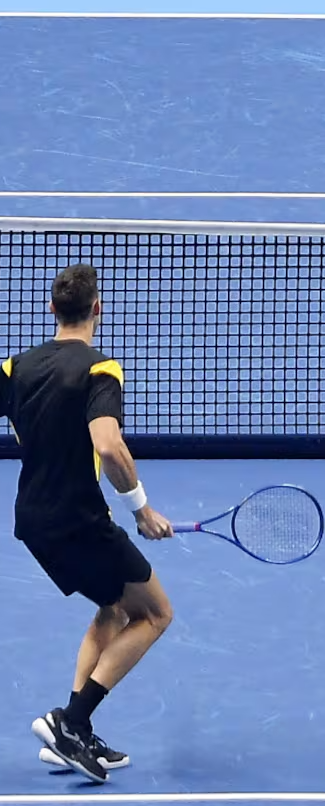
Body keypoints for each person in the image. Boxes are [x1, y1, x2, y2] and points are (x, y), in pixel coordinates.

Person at [0, 263, 174, 783]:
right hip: (78, 520)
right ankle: (70, 723)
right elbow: (108, 445)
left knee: (112, 609)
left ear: (52, 309)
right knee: (155, 613)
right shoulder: (101, 371)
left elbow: (26, 424)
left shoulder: (14, 368)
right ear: (97, 309)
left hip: (33, 520)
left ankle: (73, 734)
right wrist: (142, 509)